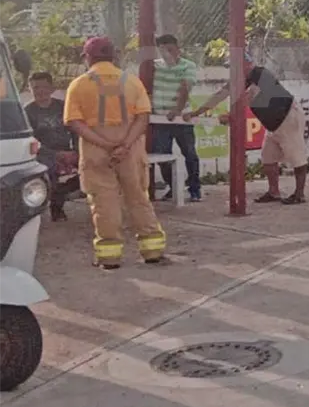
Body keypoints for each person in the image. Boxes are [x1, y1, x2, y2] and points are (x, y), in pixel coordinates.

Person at [64, 36, 166, 269]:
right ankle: (152, 252)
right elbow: (143, 117)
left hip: (96, 152)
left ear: (87, 57)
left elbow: (74, 122)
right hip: (130, 151)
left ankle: (109, 258)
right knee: (139, 199)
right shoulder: (132, 82)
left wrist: (105, 144)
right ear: (114, 56)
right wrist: (125, 145)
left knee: (104, 203)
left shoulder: (79, 85)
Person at [185, 51, 308, 204]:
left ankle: (299, 194)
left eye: (235, 66)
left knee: (296, 156)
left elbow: (248, 96)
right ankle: (273, 191)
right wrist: (196, 112)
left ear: (246, 63)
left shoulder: (260, 73)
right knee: (268, 157)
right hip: (273, 125)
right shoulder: (242, 81)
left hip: (288, 117)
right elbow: (219, 96)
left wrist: (231, 115)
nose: (233, 70)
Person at [152, 34, 201, 202]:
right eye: (163, 50)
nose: (167, 54)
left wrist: (177, 109)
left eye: (170, 50)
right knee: (161, 155)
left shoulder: (188, 66)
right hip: (159, 119)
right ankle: (174, 188)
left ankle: (195, 189)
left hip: (181, 118)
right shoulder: (154, 67)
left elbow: (185, 87)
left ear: (178, 49)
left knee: (190, 153)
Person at [24, 72, 79, 222]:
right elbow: (31, 140)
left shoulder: (63, 106)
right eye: (36, 87)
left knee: (92, 164)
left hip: (67, 150)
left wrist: (76, 151)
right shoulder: (27, 112)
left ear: (52, 88)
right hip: (43, 154)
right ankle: (56, 208)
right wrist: (55, 154)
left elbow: (75, 129)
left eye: (44, 87)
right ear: (30, 89)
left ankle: (62, 192)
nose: (40, 91)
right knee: (50, 169)